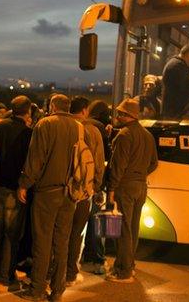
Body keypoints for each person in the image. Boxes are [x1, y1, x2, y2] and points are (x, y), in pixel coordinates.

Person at [17, 94, 87, 301]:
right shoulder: (79, 127)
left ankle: (38, 288)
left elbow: (36, 157)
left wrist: (24, 184)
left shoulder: (45, 124)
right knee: (62, 243)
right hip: (69, 193)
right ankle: (58, 290)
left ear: (53, 106)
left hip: (46, 192)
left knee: (42, 241)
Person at [105, 98, 158, 283]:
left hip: (125, 187)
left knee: (122, 230)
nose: (117, 116)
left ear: (127, 116)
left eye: (120, 113)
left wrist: (112, 188)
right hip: (141, 187)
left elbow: (118, 166)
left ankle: (123, 271)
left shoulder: (124, 135)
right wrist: (140, 173)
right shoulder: (147, 135)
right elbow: (154, 164)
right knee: (133, 228)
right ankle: (129, 265)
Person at [0, 95, 33, 292]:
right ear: (28, 112)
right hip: (15, 189)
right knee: (11, 235)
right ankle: (5, 279)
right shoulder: (27, 132)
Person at [65, 97, 105, 286]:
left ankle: (53, 270)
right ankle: (70, 272)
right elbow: (97, 162)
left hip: (61, 189)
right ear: (84, 110)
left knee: (59, 232)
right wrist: (96, 187)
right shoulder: (92, 131)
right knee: (76, 233)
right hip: (82, 190)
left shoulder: (62, 126)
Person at [81, 100, 111, 274]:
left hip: (80, 181)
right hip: (95, 182)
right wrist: (100, 186)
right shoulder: (99, 128)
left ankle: (79, 256)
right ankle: (98, 258)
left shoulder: (80, 125)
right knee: (98, 222)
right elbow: (102, 158)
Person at [161, 43, 189, 119]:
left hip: (170, 109)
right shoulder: (180, 66)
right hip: (175, 111)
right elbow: (184, 87)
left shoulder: (174, 62)